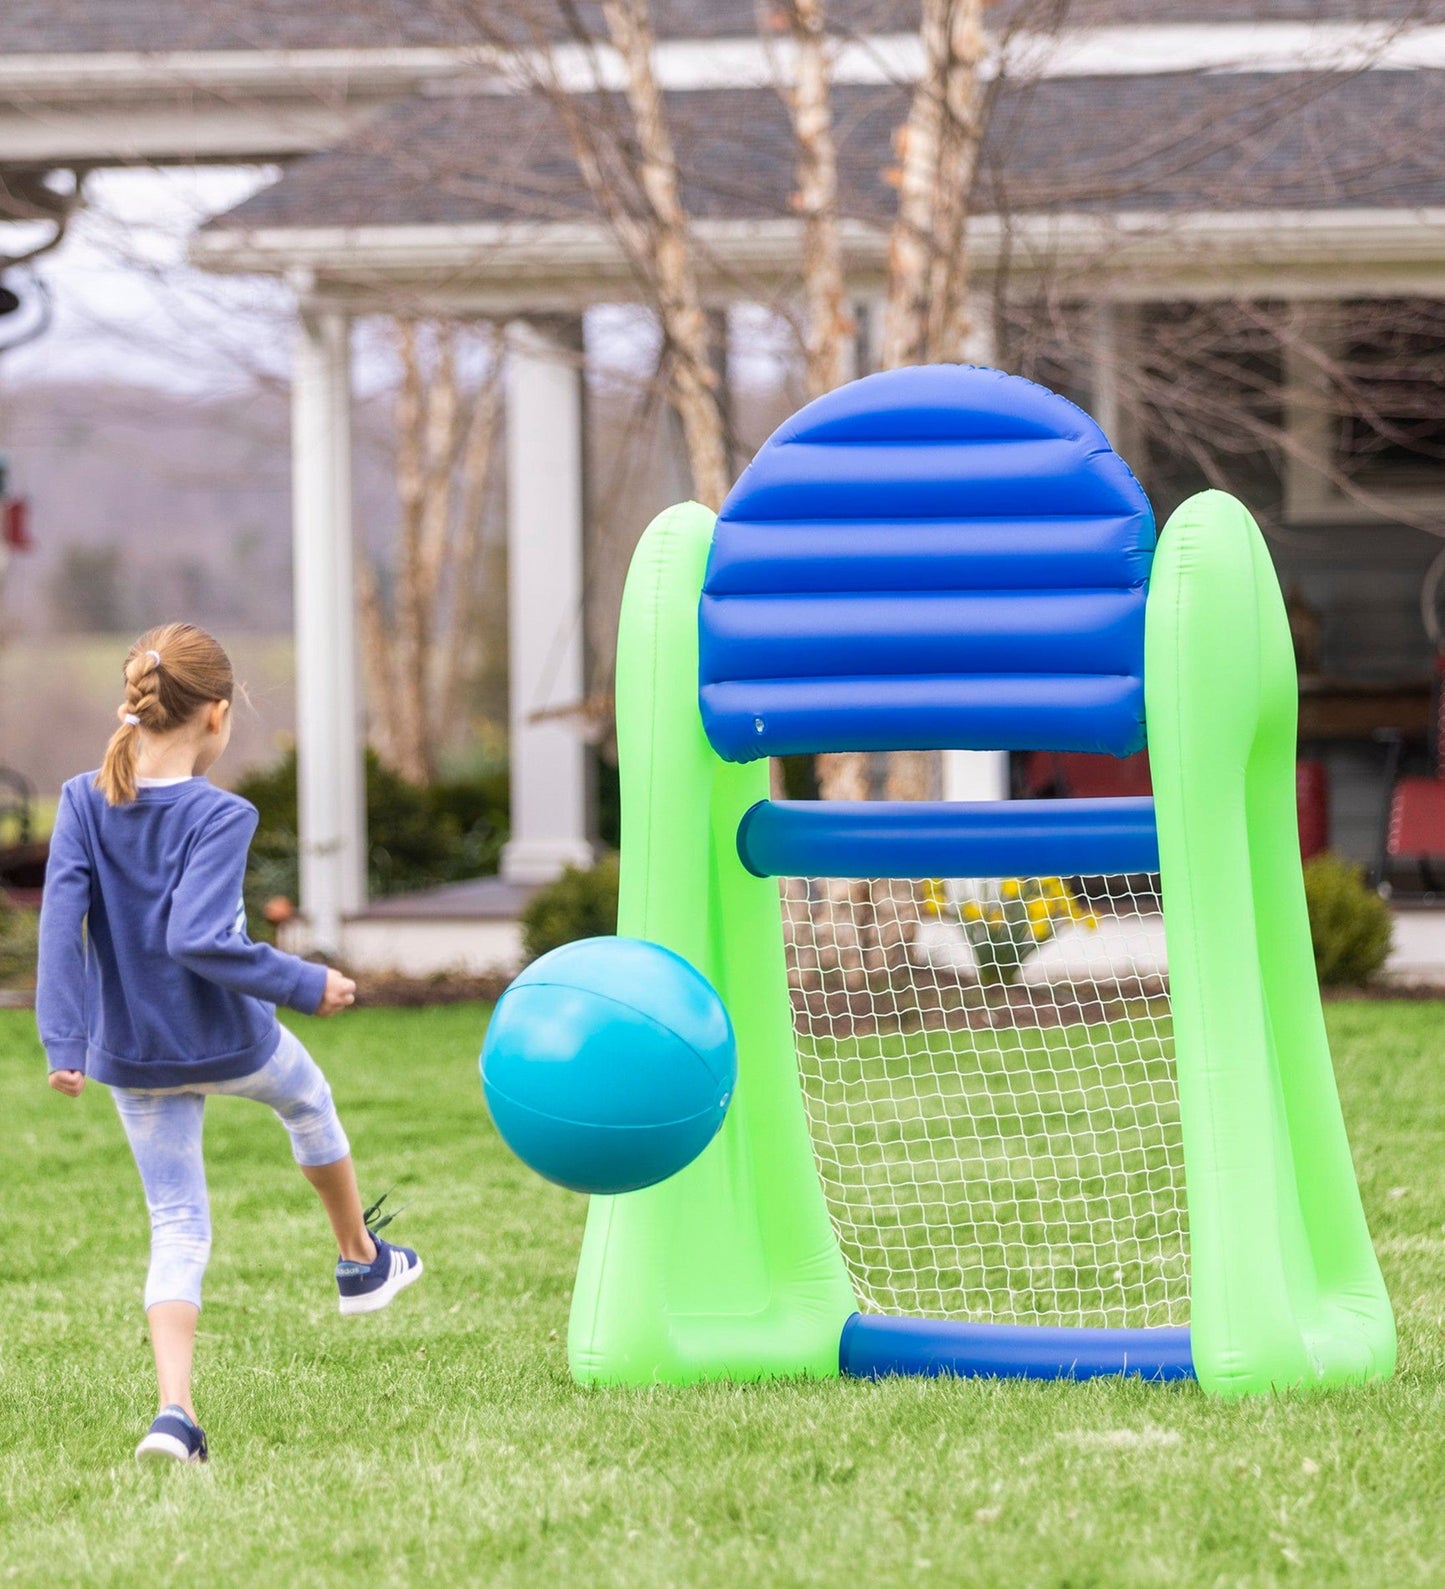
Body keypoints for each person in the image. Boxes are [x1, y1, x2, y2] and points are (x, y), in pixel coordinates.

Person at [35, 624, 422, 1466]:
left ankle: (175, 1413)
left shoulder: (79, 800)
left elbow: (61, 928)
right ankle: (359, 1259)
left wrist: (65, 1040)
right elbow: (200, 939)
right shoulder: (222, 812)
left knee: (177, 1224)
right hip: (231, 1041)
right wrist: (304, 981)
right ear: (215, 715)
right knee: (308, 1101)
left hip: (131, 1054)